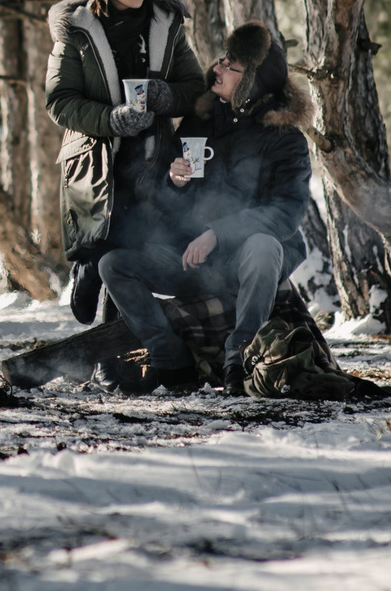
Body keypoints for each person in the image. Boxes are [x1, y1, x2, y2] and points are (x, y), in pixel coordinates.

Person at [96, 21, 313, 392]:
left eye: (231, 65)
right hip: (194, 258)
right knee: (114, 265)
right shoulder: (201, 119)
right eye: (222, 59)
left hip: (243, 260)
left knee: (264, 246)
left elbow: (285, 213)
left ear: (253, 82)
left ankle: (238, 357)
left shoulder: (285, 140)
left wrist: (217, 234)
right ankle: (170, 357)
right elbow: (174, 201)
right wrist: (175, 181)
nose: (219, 68)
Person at [43, 0, 208, 325]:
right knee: (104, 240)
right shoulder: (76, 31)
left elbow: (195, 90)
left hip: (153, 156)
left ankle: (115, 350)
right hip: (97, 159)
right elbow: (59, 101)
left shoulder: (167, 25)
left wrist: (164, 95)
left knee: (134, 249)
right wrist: (111, 119)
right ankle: (87, 268)